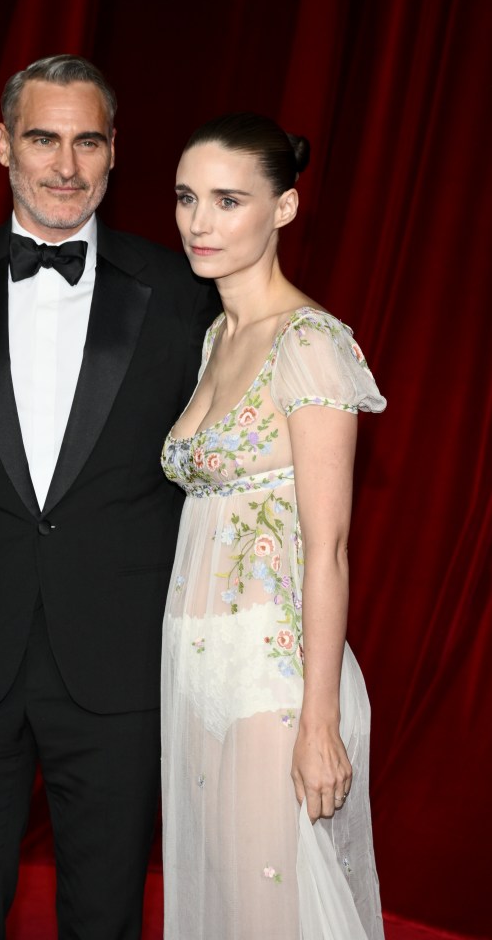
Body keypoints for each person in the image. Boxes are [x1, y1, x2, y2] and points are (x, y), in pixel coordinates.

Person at [0, 54, 219, 940]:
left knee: (106, 912)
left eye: (86, 141)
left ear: (113, 151)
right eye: (44, 139)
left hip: (122, 659)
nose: (65, 165)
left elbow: (212, 484)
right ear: (3, 146)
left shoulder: (180, 292)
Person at [160, 113, 386, 939]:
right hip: (193, 661)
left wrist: (320, 723)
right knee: (226, 907)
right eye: (187, 198)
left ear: (283, 209)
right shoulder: (218, 336)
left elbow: (327, 551)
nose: (199, 222)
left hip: (276, 677)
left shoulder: (312, 344)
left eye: (227, 200)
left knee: (269, 915)